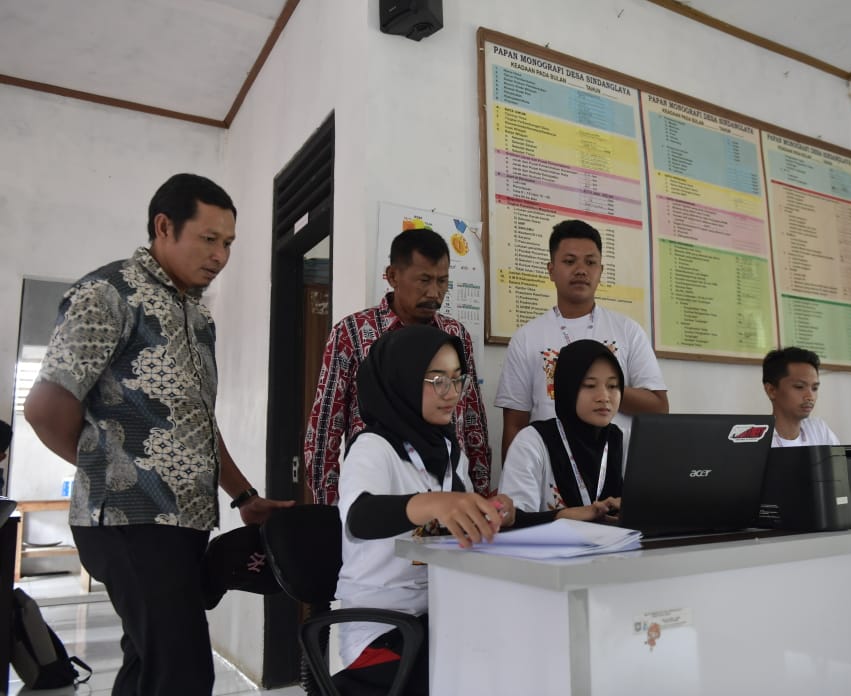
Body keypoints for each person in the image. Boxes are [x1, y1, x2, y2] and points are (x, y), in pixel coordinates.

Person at [23, 173, 292, 696]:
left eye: (229, 243)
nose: (220, 255)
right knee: (183, 671)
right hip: (131, 518)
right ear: (163, 227)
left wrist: (243, 496)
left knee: (149, 664)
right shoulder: (108, 293)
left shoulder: (196, 316)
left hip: (184, 520)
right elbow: (45, 408)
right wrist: (113, 470)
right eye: (208, 239)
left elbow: (197, 422)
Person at [335, 324, 514, 695]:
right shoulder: (373, 447)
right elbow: (360, 517)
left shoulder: (449, 452)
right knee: (474, 675)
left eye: (456, 379)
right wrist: (432, 503)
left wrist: (495, 513)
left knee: (516, 652)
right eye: (436, 380)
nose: (450, 394)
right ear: (400, 380)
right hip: (383, 630)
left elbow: (454, 528)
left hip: (441, 615)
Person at [305, 228, 492, 504]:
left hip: (449, 485)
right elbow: (325, 429)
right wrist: (331, 511)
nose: (434, 292)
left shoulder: (455, 334)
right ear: (393, 276)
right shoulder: (353, 333)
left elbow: (472, 420)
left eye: (442, 281)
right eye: (424, 280)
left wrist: (481, 493)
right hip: (379, 484)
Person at [495, 219, 668, 460]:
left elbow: (658, 408)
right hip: (551, 473)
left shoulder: (628, 331)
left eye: (590, 262)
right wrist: (511, 487)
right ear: (551, 269)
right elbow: (515, 424)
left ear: (600, 271)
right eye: (569, 261)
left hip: (617, 469)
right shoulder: (526, 338)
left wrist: (601, 388)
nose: (581, 270)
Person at [499, 339, 624, 523]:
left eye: (613, 386)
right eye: (589, 385)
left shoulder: (625, 440)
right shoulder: (532, 442)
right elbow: (509, 519)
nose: (604, 397)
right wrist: (562, 516)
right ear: (568, 388)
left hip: (621, 551)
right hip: (548, 551)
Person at [762, 347, 841, 447]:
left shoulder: (818, 429)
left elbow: (841, 462)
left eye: (814, 388)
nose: (810, 396)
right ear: (771, 390)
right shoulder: (756, 439)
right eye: (799, 387)